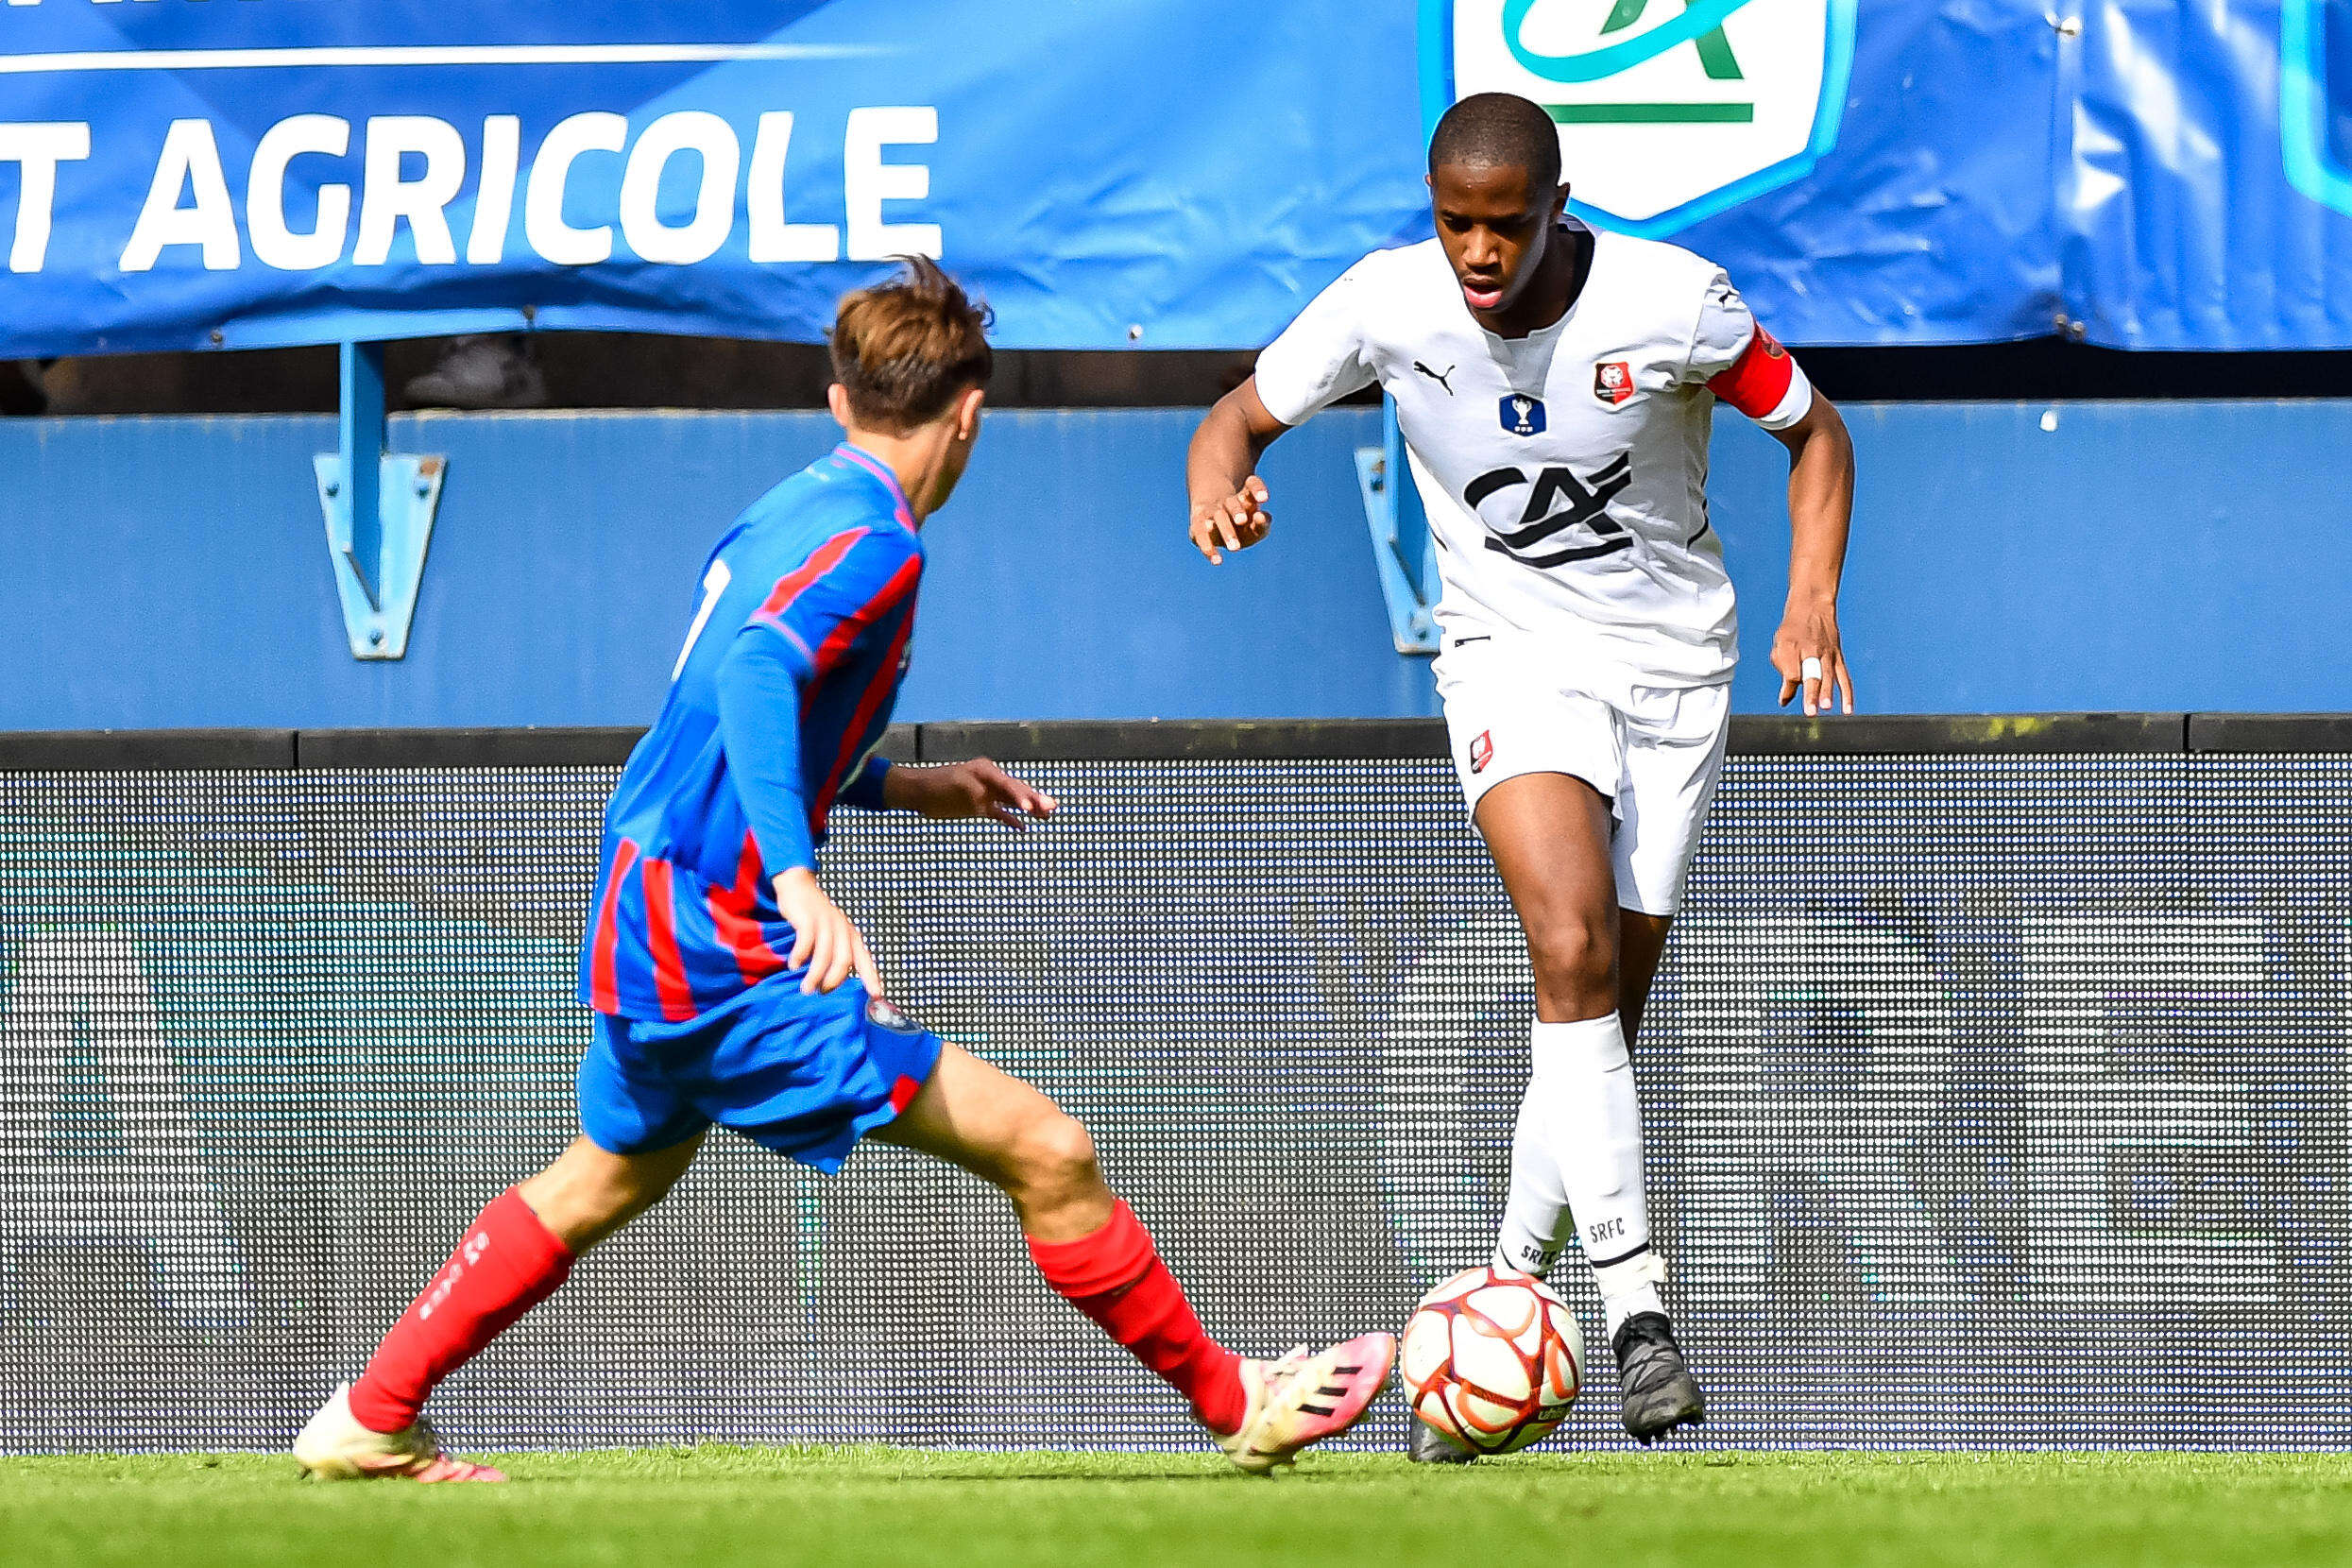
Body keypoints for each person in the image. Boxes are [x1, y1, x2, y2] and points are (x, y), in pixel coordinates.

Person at [294, 258, 1393, 1483]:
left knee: (599, 1179)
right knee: (1049, 1147)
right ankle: (1234, 1398)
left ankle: (373, 1413)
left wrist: (903, 783)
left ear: (838, 402)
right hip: (714, 934)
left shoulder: (793, 505)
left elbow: (736, 704)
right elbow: (760, 673)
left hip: (638, 898)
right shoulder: (878, 547)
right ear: (969, 414)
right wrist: (798, 876)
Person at [1184, 93, 1857, 1454]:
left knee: (1601, 1008)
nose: (1477, 252)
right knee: (1566, 943)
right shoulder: (1384, 304)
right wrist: (1220, 484)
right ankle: (1637, 1316)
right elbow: (1233, 418)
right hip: (1506, 655)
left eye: (1504, 223)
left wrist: (1811, 602)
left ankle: (1504, 1292)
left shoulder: (1674, 304)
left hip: (1674, 666)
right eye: (1454, 223)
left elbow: (1816, 434)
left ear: (1559, 206)